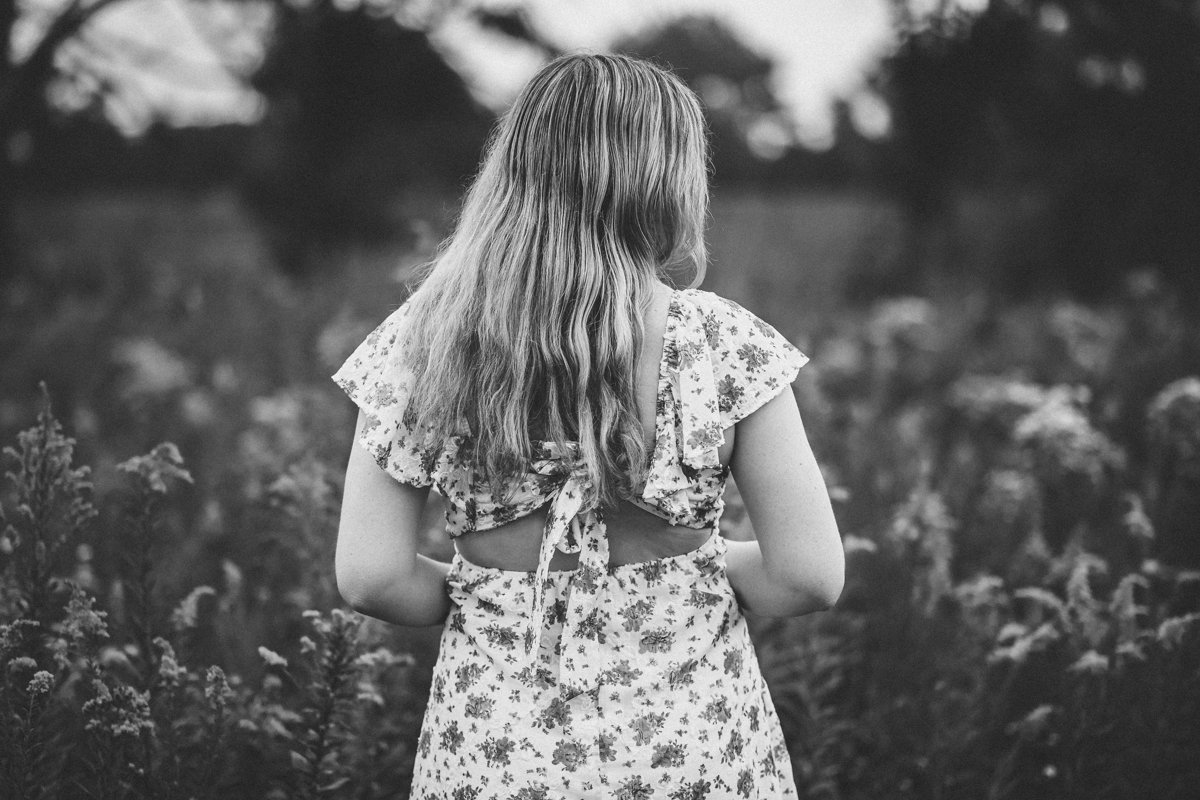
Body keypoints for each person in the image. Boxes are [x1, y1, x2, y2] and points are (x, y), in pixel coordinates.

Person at [332, 52, 843, 799]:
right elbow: (808, 576)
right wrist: (691, 567)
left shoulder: (426, 342)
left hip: (495, 756)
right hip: (693, 755)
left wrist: (496, 591)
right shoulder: (721, 343)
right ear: (666, 181)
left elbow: (371, 577)